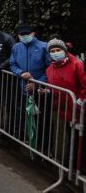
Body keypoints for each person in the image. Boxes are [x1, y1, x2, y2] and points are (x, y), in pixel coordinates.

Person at [40, 37, 86, 165]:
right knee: (70, 136)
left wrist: (80, 102)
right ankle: (69, 164)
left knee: (79, 138)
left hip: (79, 110)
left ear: (64, 50)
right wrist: (47, 91)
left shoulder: (77, 64)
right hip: (64, 109)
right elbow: (53, 86)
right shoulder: (50, 69)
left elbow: (84, 86)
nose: (55, 52)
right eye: (52, 51)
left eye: (58, 49)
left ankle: (78, 167)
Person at [8, 24, 51, 142]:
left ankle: (41, 147)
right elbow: (12, 64)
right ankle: (20, 138)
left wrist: (37, 83)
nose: (24, 36)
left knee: (40, 119)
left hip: (39, 90)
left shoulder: (44, 46)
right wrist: (20, 72)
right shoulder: (16, 47)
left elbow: (50, 69)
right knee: (20, 114)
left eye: (27, 34)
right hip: (21, 87)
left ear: (33, 33)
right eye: (21, 35)